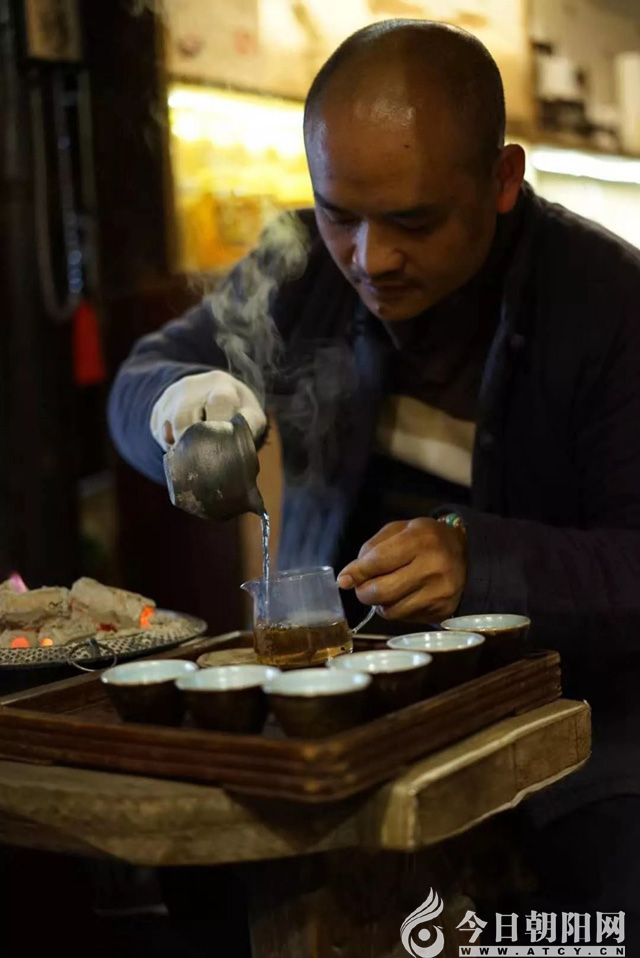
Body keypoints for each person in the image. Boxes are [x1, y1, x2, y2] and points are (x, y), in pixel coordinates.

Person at [109, 19, 640, 936]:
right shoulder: (300, 264)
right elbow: (141, 376)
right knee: (194, 864)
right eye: (338, 213)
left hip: (572, 709)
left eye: (414, 222)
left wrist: (479, 561)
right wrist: (181, 401)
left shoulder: (609, 305)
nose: (370, 258)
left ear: (503, 179)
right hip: (345, 696)